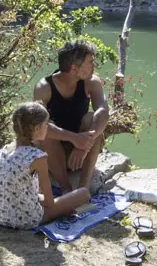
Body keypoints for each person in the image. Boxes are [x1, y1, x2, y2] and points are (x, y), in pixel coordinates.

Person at [0, 102, 90, 229]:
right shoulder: (37, 157)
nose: (48, 127)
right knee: (83, 193)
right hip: (24, 220)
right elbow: (49, 203)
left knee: (39, 196)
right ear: (37, 128)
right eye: (46, 124)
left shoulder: (3, 151)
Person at [32, 40, 109, 193]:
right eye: (90, 63)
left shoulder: (91, 82)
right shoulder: (44, 87)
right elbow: (37, 126)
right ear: (74, 68)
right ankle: (65, 187)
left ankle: (83, 188)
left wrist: (85, 144)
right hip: (52, 152)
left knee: (92, 119)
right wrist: (74, 138)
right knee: (45, 130)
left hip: (79, 151)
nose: (94, 66)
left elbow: (104, 110)